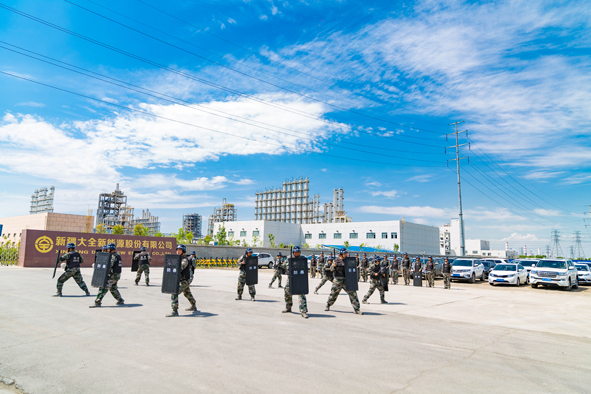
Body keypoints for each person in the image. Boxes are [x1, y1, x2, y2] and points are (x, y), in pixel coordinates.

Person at [325, 249, 362, 314]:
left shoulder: (348, 260)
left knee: (353, 294)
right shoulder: (336, 260)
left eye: (346, 253)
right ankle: (328, 305)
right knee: (333, 294)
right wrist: (333, 266)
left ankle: (357, 309)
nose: (346, 254)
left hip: (346, 280)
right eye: (344, 254)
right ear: (341, 254)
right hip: (337, 280)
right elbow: (331, 269)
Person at [90, 243, 124, 308]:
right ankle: (120, 300)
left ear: (111, 249)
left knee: (104, 287)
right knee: (113, 288)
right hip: (116, 275)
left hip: (112, 275)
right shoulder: (117, 255)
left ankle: (98, 302)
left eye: (108, 249)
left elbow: (110, 264)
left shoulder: (113, 256)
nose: (107, 250)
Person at [167, 244, 197, 317]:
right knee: (187, 293)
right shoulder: (178, 259)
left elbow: (179, 268)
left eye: (180, 250)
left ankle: (175, 311)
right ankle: (193, 305)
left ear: (183, 252)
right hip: (183, 279)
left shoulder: (185, 260)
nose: (178, 252)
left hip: (185, 280)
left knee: (175, 292)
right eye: (177, 250)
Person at [283, 246, 308, 319]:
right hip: (291, 278)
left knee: (301, 294)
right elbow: (284, 265)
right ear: (293, 252)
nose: (297, 254)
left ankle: (303, 311)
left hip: (300, 278)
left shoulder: (302, 258)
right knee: (287, 291)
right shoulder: (289, 258)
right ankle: (288, 307)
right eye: (295, 252)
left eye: (298, 252)